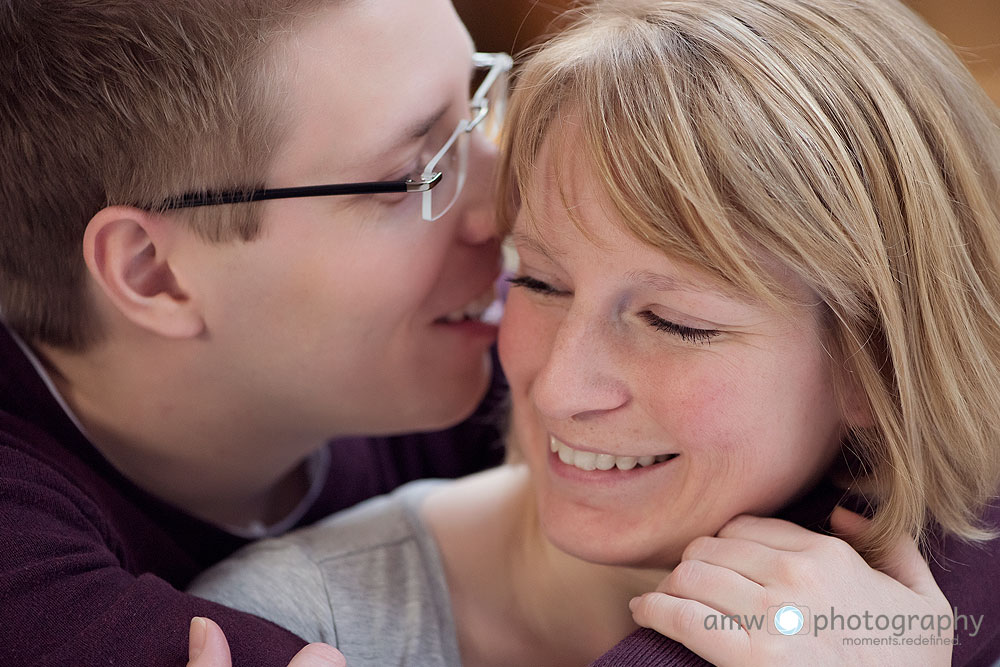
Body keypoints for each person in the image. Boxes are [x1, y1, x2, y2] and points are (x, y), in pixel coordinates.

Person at [188, 0, 1000, 665]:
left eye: (675, 322)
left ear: (875, 364)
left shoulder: (931, 621)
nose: (556, 387)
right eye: (537, 281)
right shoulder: (287, 626)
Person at [0, 1, 511, 665]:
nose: (507, 205)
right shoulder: (29, 592)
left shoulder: (467, 342)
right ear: (156, 275)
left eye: (475, 106)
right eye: (411, 175)